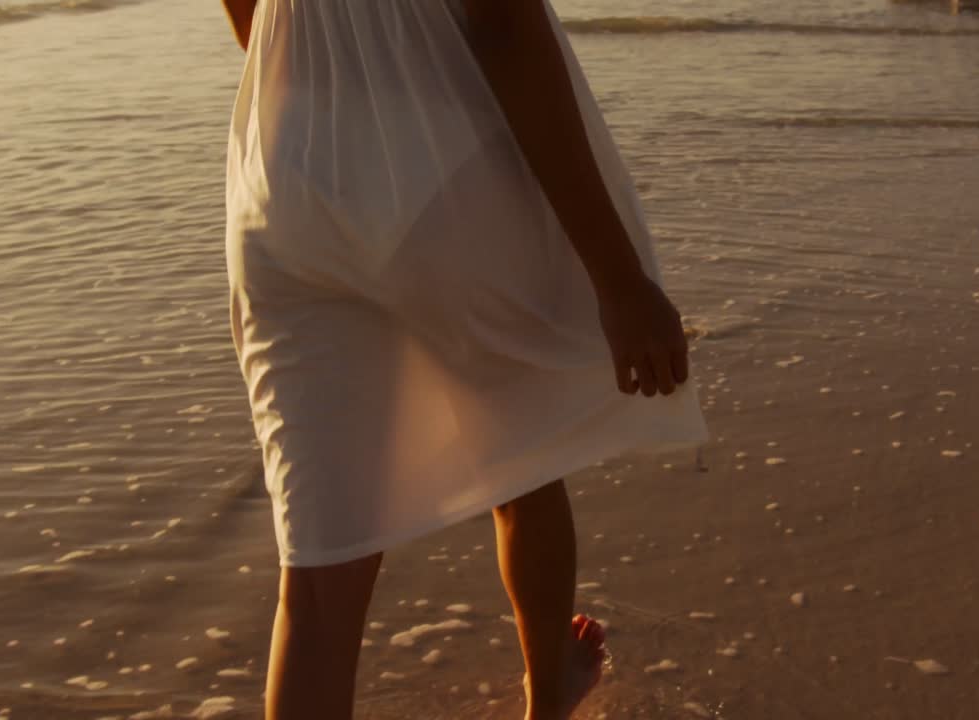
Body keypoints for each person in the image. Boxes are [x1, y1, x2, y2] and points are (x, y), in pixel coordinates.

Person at [219, 0, 709, 718]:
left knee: (319, 587)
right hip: (433, 148)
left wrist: (326, 119)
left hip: (283, 176)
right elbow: (506, 25)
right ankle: (548, 694)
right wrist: (619, 278)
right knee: (523, 461)